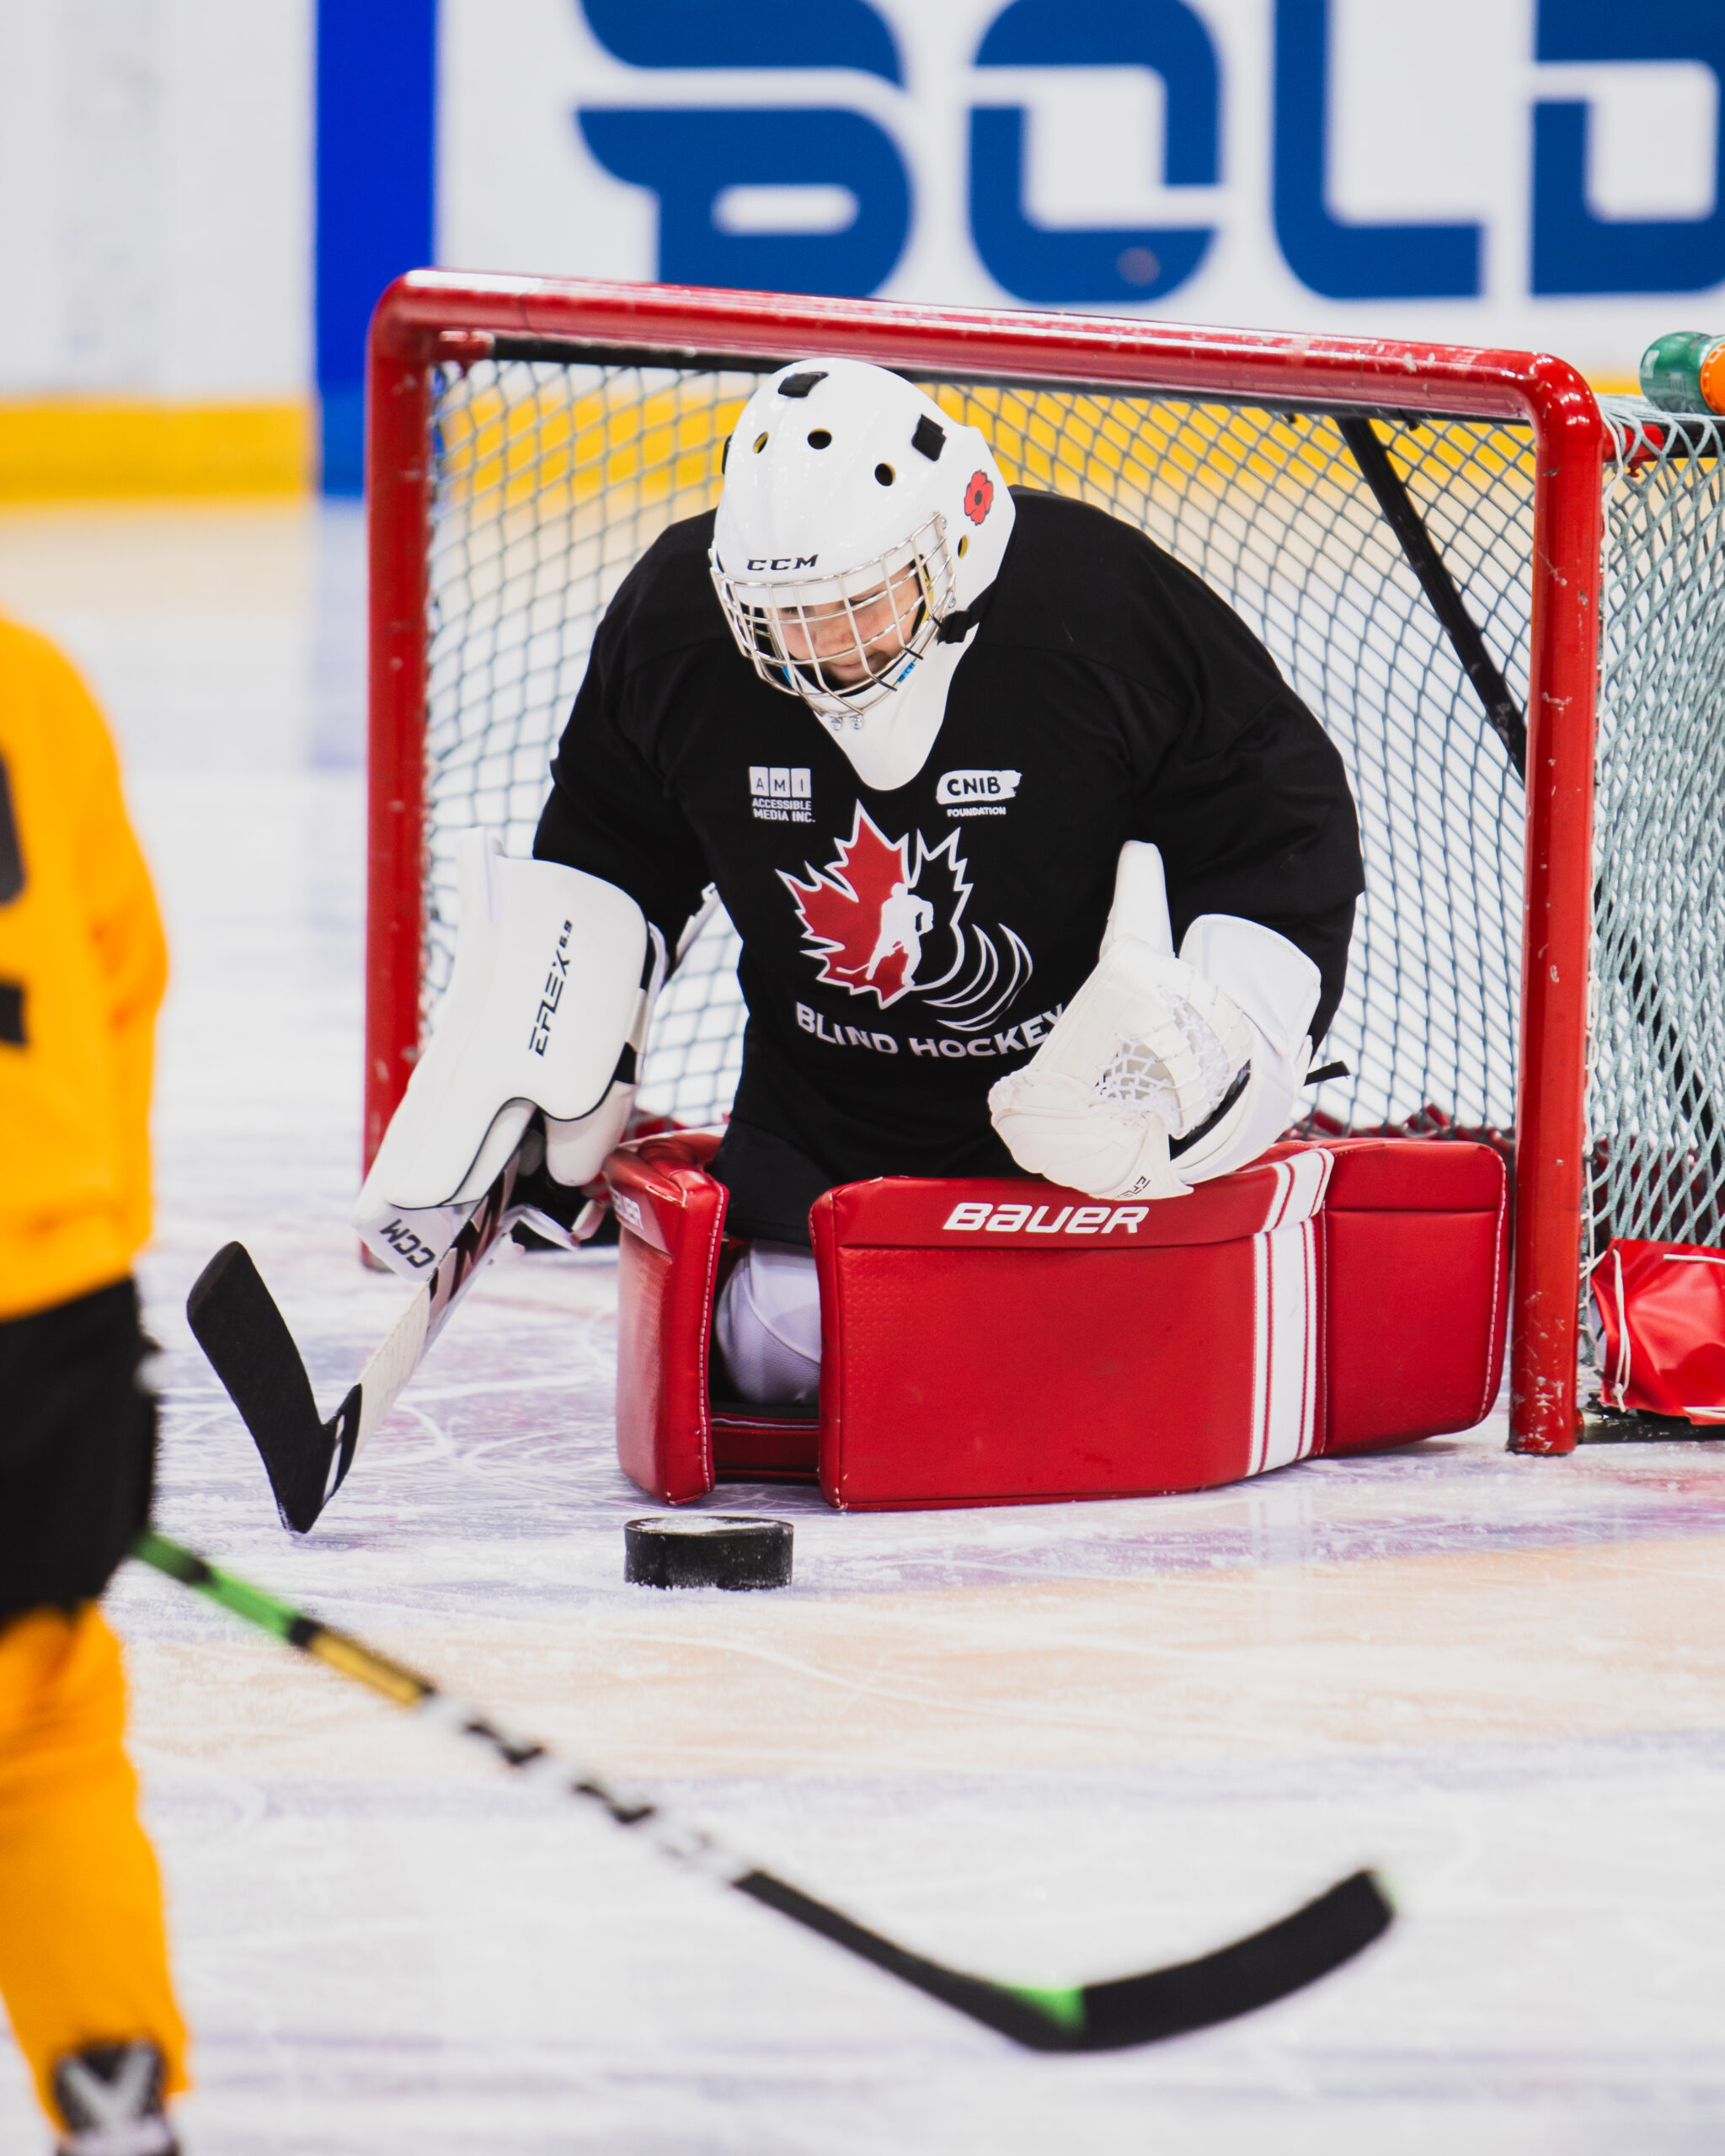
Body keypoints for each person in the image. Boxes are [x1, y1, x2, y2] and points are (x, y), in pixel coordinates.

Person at [355, 358, 1363, 1409]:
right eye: (786, 621)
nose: (826, 652)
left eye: (857, 606)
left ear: (956, 545)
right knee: (778, 1356)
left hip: (1085, 1134)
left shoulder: (1101, 612)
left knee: (1129, 1361)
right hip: (825, 1133)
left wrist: (1214, 1041)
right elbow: (611, 846)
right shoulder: (677, 627)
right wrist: (540, 1069)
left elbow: (1276, 830)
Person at [0, 613, 188, 2153]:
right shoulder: (27, 679)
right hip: (45, 1298)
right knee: (45, 1734)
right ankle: (112, 2092)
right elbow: (122, 973)